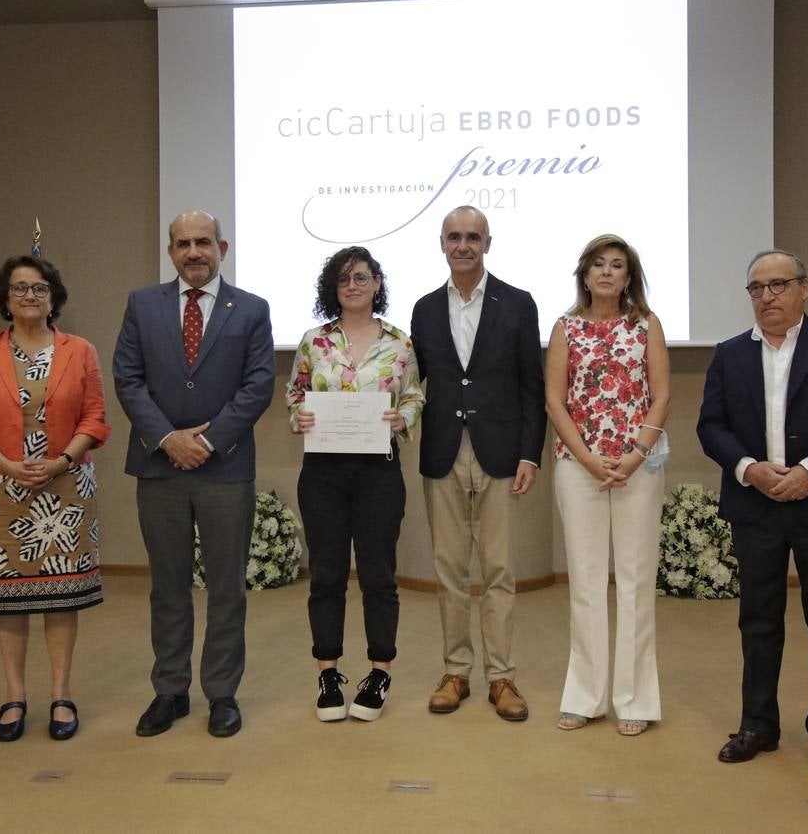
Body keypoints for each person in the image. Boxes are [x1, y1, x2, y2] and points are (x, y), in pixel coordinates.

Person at [696, 249, 808, 778]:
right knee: (757, 622)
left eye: (778, 285)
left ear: (804, 288)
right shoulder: (729, 353)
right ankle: (758, 725)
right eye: (756, 288)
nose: (767, 296)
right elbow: (712, 427)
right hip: (755, 505)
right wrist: (750, 468)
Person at [113, 209, 276, 739]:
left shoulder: (250, 309)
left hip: (225, 468)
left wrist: (205, 440)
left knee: (227, 586)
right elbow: (128, 378)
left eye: (203, 242)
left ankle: (222, 693)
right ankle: (170, 690)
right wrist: (169, 439)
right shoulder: (142, 304)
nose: (193, 252)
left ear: (221, 249)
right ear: (170, 252)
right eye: (182, 244)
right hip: (159, 468)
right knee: (167, 586)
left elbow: (258, 385)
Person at [0, 255, 111, 743]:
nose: (29, 297)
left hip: (66, 487)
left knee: (61, 596)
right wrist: (7, 465)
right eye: (19, 289)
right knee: (9, 601)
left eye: (39, 289)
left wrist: (61, 461)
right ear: (4, 297)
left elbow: (95, 417)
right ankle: (14, 696)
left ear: (53, 296)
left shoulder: (80, 350)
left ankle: (62, 693)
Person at [409, 205, 547, 721]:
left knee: (499, 570)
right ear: (441, 244)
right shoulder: (423, 309)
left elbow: (532, 387)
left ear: (488, 243)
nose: (462, 245)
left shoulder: (518, 303)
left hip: (501, 454)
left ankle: (503, 677)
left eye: (473, 237)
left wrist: (529, 452)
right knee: (447, 569)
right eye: (453, 237)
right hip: (443, 451)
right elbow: (410, 382)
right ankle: (455, 672)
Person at [286, 247, 424, 722]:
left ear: (377, 282)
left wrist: (399, 416)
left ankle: (379, 671)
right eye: (343, 279)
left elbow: (415, 396)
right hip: (322, 472)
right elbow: (294, 394)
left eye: (361, 277)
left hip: (378, 472)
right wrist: (298, 417)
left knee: (378, 574)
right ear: (334, 287)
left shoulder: (400, 343)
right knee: (325, 574)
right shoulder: (313, 341)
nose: (353, 285)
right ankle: (328, 672)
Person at [544, 235, 670, 736]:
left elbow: (660, 396)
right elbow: (556, 402)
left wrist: (634, 455)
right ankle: (585, 697)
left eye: (617, 265)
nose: (606, 272)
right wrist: (589, 460)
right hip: (580, 468)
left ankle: (636, 700)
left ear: (628, 277)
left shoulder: (646, 326)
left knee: (636, 582)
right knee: (587, 583)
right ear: (584, 274)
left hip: (638, 466)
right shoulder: (565, 328)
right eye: (598, 264)